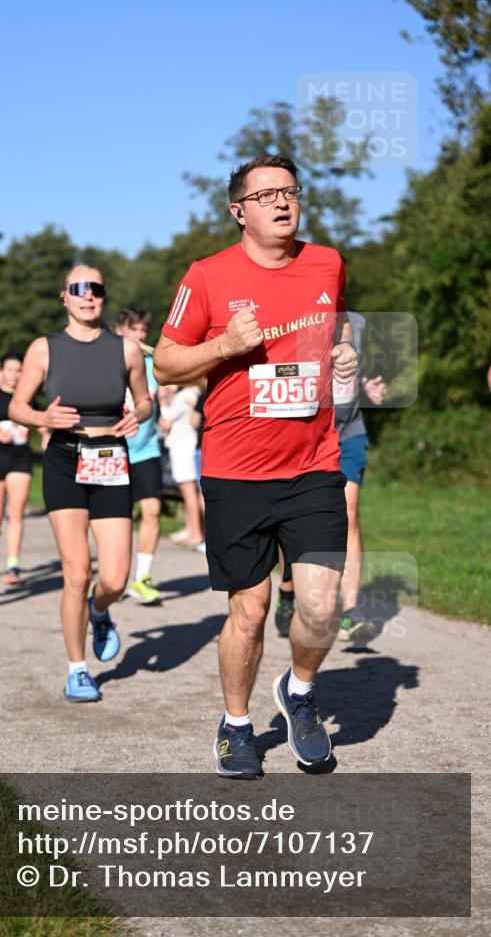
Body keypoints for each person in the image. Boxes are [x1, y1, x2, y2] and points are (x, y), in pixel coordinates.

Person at [154, 154, 358, 779]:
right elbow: (165, 363)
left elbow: (339, 320)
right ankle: (236, 725)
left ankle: (299, 692)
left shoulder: (326, 262)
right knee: (249, 609)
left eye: (291, 190)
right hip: (236, 471)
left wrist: (344, 353)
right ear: (238, 210)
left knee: (321, 608)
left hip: (314, 462)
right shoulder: (208, 276)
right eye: (266, 194)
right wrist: (224, 346)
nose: (282, 201)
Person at [10, 265, 152, 702]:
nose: (87, 296)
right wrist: (42, 417)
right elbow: (17, 406)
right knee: (77, 572)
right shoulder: (44, 349)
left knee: (114, 577)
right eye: (78, 289)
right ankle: (77, 670)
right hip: (65, 460)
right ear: (64, 297)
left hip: (111, 459)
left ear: (103, 297)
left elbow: (145, 400)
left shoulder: (125, 349)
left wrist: (138, 415)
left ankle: (99, 610)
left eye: (95, 289)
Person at [275, 311, 386, 641]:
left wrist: (368, 388)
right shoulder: (295, 315)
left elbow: (353, 371)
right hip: (302, 432)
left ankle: (350, 611)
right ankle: (288, 589)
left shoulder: (358, 322)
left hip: (347, 432)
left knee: (350, 514)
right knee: (294, 517)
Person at [115, 307, 163, 605]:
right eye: (136, 330)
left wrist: (166, 414)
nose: (141, 335)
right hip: (115, 451)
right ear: (122, 330)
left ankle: (142, 577)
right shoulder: (107, 362)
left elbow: (161, 396)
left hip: (147, 448)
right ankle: (116, 577)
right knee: (119, 519)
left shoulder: (151, 363)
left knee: (153, 511)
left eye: (145, 331)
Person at [0, 352, 33, 585]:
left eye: (18, 370)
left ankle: (13, 566)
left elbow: (38, 419)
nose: (14, 375)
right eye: (10, 370)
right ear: (1, 371)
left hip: (20, 458)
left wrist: (44, 432)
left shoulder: (28, 395)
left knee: (16, 513)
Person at [159, 383, 205, 548]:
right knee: (189, 491)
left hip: (183, 448)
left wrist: (163, 400)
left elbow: (167, 417)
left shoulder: (186, 395)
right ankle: (192, 529)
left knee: (188, 491)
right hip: (185, 446)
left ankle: (196, 532)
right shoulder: (190, 394)